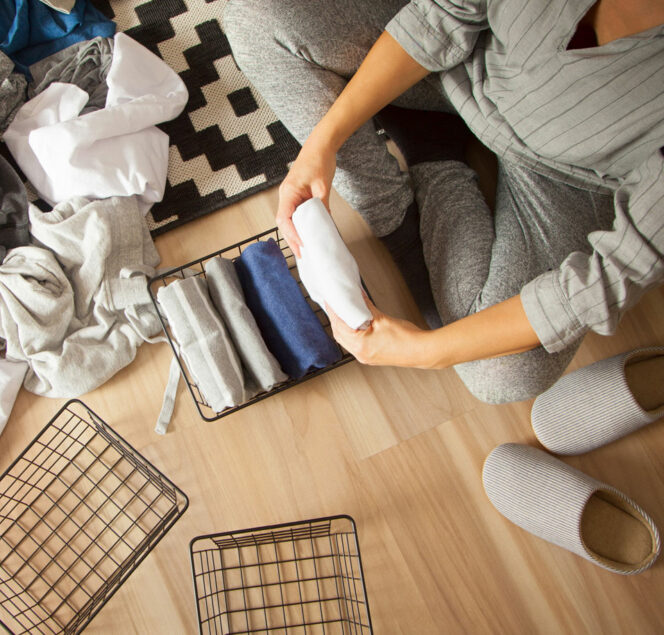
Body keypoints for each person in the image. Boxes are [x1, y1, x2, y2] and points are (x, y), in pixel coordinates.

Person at [223, 0, 664, 403]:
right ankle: (390, 207)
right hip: (468, 60)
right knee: (255, 19)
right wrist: (322, 144)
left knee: (500, 374)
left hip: (568, 176)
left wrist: (427, 351)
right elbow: (443, 15)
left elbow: (606, 280)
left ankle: (432, 150)